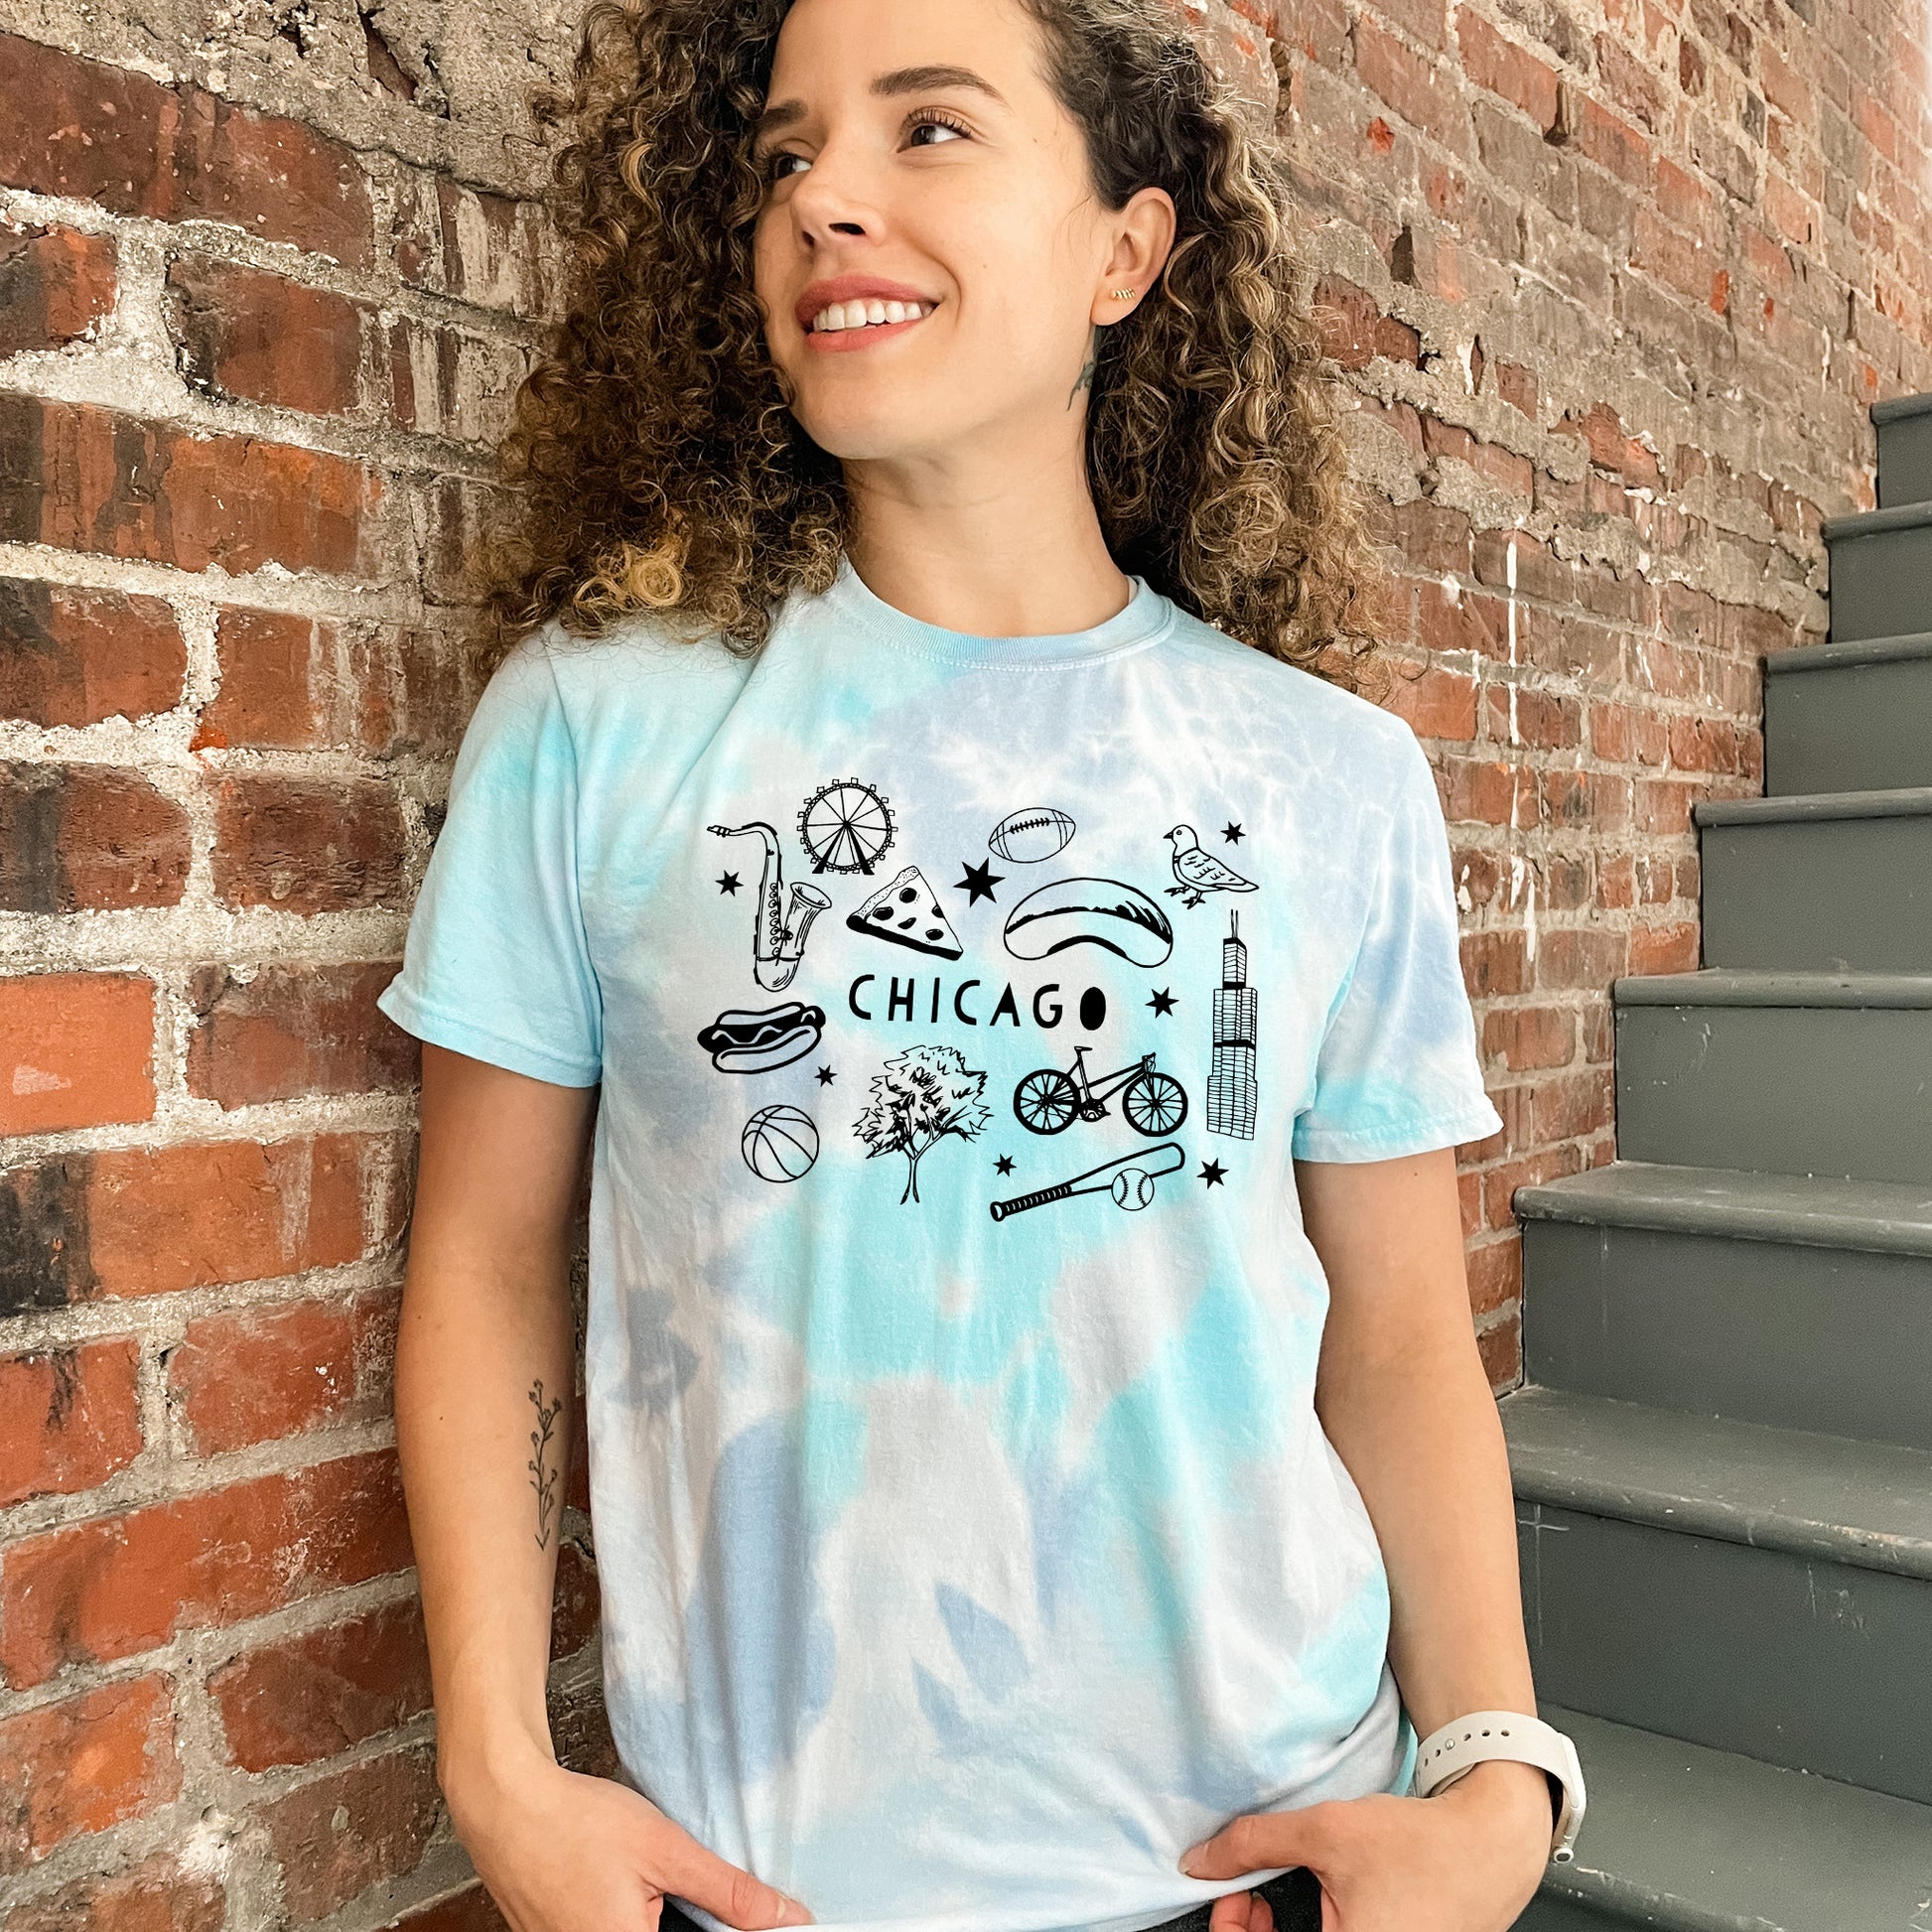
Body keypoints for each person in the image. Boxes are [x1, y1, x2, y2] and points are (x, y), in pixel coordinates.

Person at [377, 0, 1574, 1929]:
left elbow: (1401, 1336)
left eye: (927, 131)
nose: (825, 200)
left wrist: (1498, 1778)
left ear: (1126, 247)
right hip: (760, 1890)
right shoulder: (593, 728)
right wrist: (500, 1770)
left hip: (1273, 1877)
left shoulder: (1332, 776)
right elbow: (490, 1264)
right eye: (784, 156)